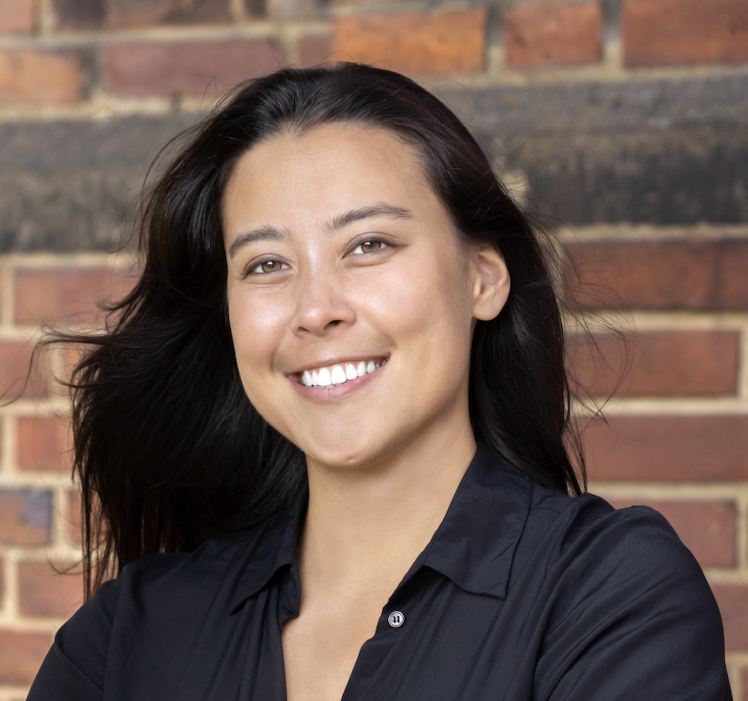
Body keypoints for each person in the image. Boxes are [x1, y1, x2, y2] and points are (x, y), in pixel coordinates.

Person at [28, 63, 731, 700]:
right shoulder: (127, 637)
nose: (315, 309)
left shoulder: (611, 596)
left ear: (483, 277)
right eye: (267, 264)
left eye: (369, 245)